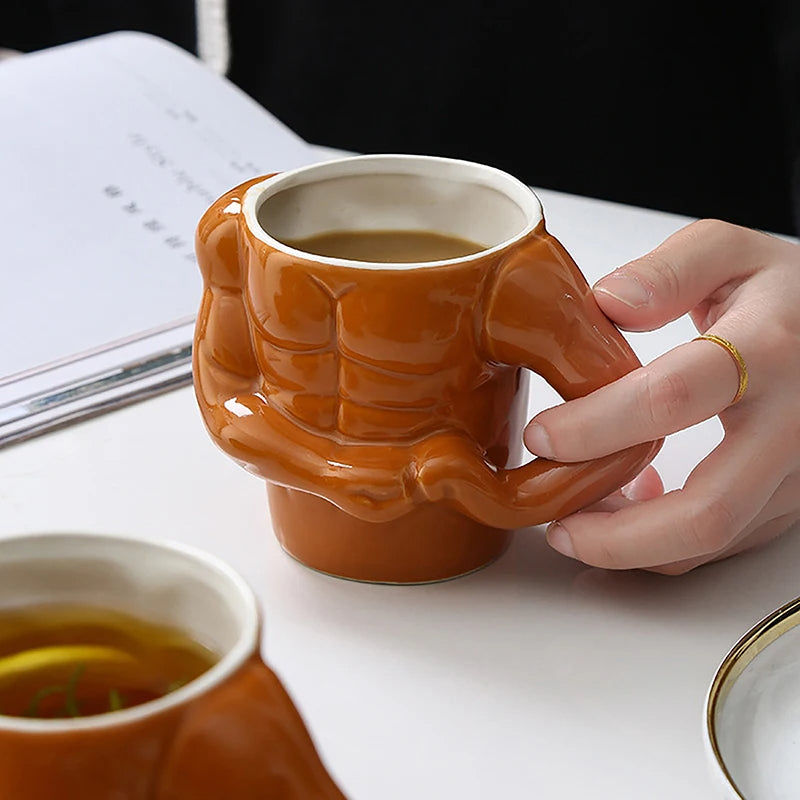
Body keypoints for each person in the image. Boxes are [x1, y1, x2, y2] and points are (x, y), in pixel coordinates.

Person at [4, 0, 800, 572]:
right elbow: (228, 398)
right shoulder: (235, 236)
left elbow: (632, 421)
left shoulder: (512, 277)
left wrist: (501, 500)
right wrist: (345, 470)